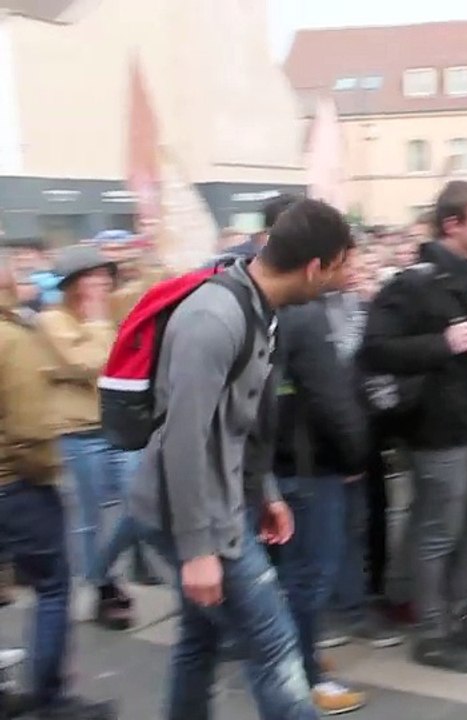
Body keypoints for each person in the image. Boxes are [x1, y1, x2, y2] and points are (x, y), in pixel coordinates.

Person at [126, 198, 355, 720]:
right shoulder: (215, 317)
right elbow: (185, 439)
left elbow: (239, 424)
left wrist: (266, 492)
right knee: (276, 652)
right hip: (198, 515)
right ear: (315, 266)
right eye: (341, 266)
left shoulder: (256, 306)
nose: (344, 279)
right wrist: (197, 549)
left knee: (198, 641)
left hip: (216, 503)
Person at [360, 180, 467, 673]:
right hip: (437, 429)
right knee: (438, 530)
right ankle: (433, 630)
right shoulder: (411, 283)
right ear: (453, 225)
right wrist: (440, 344)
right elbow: (374, 349)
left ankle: (452, 612)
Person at [2, 252, 116, 720]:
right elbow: (29, 426)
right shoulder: (15, 338)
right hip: (16, 482)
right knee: (52, 586)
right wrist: (45, 470)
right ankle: (49, 699)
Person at [273, 241, 384, 713]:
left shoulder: (268, 305)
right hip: (310, 462)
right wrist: (355, 454)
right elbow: (333, 398)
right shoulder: (306, 316)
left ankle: (300, 653)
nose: (354, 270)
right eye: (346, 262)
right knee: (310, 574)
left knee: (292, 572)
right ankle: (304, 673)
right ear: (318, 264)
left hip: (281, 460)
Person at [37, 246, 156, 634]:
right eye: (93, 276)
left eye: (106, 275)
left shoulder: (108, 310)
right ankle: (106, 588)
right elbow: (92, 361)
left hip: (115, 427)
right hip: (80, 432)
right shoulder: (52, 320)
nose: (102, 282)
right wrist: (100, 324)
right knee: (90, 519)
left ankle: (96, 571)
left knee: (139, 502)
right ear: (73, 282)